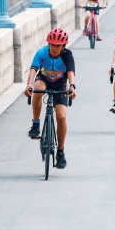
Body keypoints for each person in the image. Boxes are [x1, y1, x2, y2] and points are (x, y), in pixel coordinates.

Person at [25, 28, 76, 169]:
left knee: (61, 117)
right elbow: (34, 69)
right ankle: (35, 124)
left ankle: (60, 151)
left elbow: (71, 71)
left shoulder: (67, 55)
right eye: (52, 45)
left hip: (60, 83)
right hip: (44, 79)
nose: (54, 48)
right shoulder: (41, 52)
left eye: (58, 46)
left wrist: (72, 86)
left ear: (63, 46)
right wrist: (29, 85)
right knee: (37, 88)